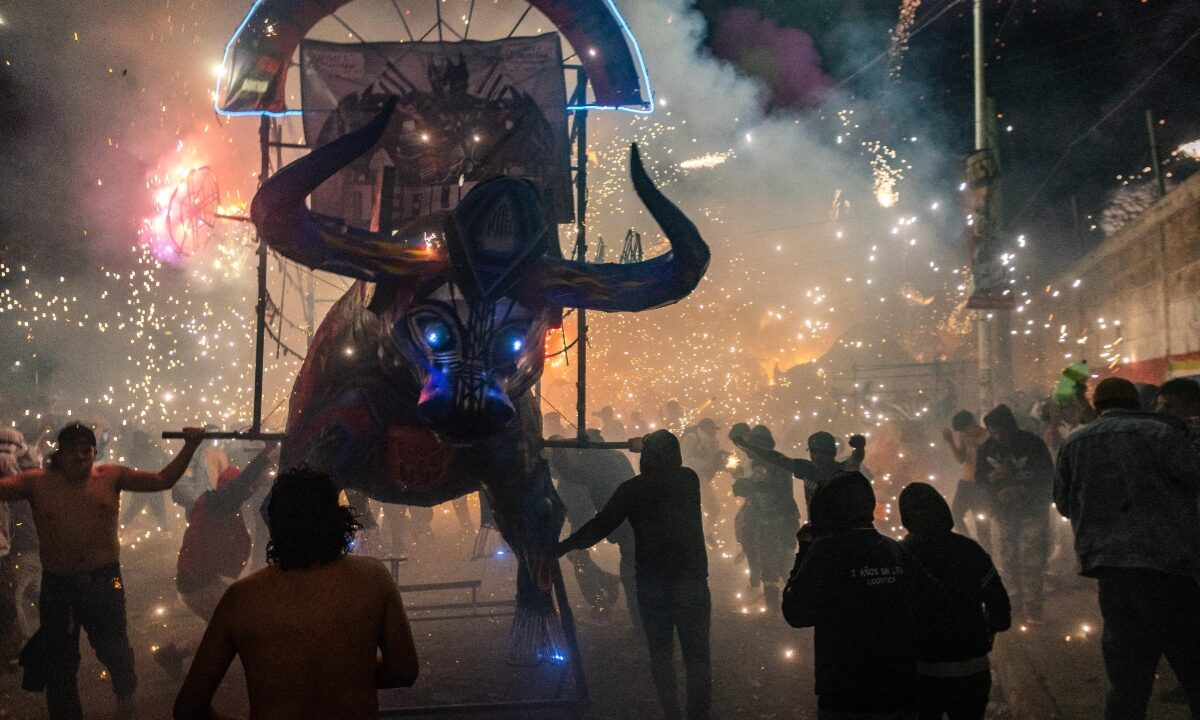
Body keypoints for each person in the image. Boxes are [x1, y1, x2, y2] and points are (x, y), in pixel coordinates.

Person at [174, 467, 419, 720]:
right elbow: (403, 670)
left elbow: (188, 709)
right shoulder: (373, 578)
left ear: (275, 525)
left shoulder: (242, 598)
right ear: (336, 521)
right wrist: (346, 674)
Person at [0, 422, 205, 720]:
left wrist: (190, 445)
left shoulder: (111, 476)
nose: (81, 457)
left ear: (95, 452)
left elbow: (163, 479)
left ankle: (125, 696)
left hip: (104, 582)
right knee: (61, 665)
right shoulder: (37, 482)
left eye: (87, 450)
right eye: (73, 452)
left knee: (116, 651)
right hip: (59, 586)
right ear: (60, 454)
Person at [1056, 377, 1200, 720]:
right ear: (1137, 403)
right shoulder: (1161, 435)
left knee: (1127, 679)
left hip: (1112, 574)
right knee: (1194, 669)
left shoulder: (1074, 443)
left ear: (1096, 406)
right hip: (1167, 569)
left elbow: (1063, 504)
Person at [558, 429, 711, 720]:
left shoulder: (632, 490)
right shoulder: (688, 480)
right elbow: (663, 464)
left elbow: (599, 525)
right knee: (697, 659)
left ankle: (673, 714)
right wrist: (645, 445)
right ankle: (698, 715)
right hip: (691, 581)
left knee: (661, 655)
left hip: (653, 584)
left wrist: (563, 546)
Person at [783, 471, 937, 719]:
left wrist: (805, 551)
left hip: (844, 695)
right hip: (900, 691)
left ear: (828, 510)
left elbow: (796, 612)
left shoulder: (825, 551)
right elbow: (934, 603)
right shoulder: (894, 549)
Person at [154, 443, 279, 677]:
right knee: (235, 628)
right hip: (198, 585)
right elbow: (239, 488)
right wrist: (263, 458)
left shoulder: (217, 503)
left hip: (202, 580)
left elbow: (241, 490)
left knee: (226, 627)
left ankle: (175, 653)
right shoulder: (216, 503)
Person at [899, 482, 1010, 720]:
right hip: (973, 668)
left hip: (921, 672)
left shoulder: (899, 556)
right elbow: (1000, 609)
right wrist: (987, 633)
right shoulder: (970, 550)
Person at [975, 404, 1053, 623]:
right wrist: (996, 481)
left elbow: (1047, 475)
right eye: (993, 430)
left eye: (1002, 430)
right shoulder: (987, 449)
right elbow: (980, 478)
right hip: (1004, 512)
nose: (998, 435)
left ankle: (1034, 606)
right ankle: (1014, 602)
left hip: (1033, 509)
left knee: (1033, 558)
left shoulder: (1032, 444)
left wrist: (1022, 489)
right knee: (1008, 556)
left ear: (1011, 427)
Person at [731, 425, 798, 607]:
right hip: (768, 521)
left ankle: (794, 601)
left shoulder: (776, 463)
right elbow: (746, 489)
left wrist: (747, 484)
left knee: (784, 562)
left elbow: (769, 486)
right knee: (769, 561)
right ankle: (774, 603)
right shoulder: (759, 464)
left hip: (783, 519)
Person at [735, 430, 867, 512]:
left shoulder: (842, 470)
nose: (817, 457)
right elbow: (777, 458)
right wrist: (748, 446)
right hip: (818, 531)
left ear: (832, 452)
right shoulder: (807, 469)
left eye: (822, 452)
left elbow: (855, 460)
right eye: (814, 451)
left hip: (841, 532)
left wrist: (860, 447)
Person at [940, 411, 991, 553]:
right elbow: (961, 459)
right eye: (963, 431)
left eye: (967, 429)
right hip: (966, 482)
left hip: (981, 485)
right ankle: (969, 545)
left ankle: (987, 557)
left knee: (982, 524)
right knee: (955, 513)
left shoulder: (987, 436)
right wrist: (951, 442)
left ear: (973, 423)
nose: (966, 433)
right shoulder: (963, 436)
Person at [119, 429, 172, 531]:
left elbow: (165, 462)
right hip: (149, 484)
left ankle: (119, 529)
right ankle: (165, 533)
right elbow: (165, 462)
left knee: (135, 510)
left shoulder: (141, 451)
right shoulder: (149, 449)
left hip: (146, 484)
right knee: (158, 512)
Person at [680, 418, 725, 528]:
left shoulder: (712, 441)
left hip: (701, 478)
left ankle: (705, 534)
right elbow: (685, 459)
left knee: (714, 509)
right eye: (713, 430)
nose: (715, 432)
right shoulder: (691, 439)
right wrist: (706, 464)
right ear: (705, 429)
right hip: (687, 478)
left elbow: (715, 458)